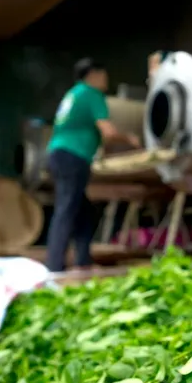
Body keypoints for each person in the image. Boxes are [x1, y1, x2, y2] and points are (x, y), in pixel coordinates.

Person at [45, 58, 139, 272]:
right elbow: (108, 131)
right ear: (94, 75)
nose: (106, 80)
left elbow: (91, 132)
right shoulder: (92, 94)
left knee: (84, 212)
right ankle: (54, 266)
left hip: (58, 153)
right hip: (72, 156)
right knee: (66, 209)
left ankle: (83, 260)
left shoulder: (74, 94)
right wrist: (130, 139)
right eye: (104, 75)